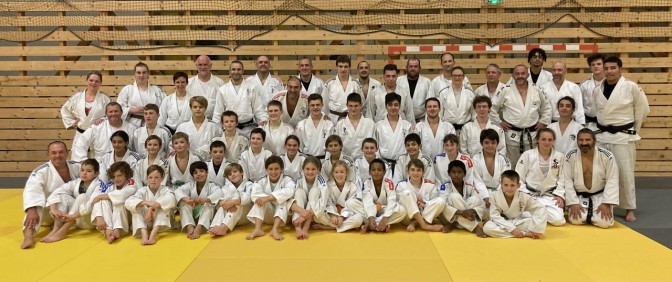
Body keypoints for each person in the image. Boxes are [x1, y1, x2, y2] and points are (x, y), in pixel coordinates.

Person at [592, 56, 650, 222]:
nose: (609, 71)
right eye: (607, 68)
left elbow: (642, 110)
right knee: (602, 173)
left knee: (625, 173)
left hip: (623, 136)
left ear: (620, 69)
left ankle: (629, 208)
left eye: (613, 68)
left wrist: (632, 130)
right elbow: (598, 113)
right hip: (602, 136)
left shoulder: (631, 87)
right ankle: (605, 203)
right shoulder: (598, 90)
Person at [21, 142, 80, 249]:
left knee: (64, 198)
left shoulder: (77, 166)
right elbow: (32, 190)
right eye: (54, 153)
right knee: (35, 207)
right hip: (49, 212)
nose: (58, 156)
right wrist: (31, 209)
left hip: (69, 211)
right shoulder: (41, 171)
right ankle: (28, 236)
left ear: (67, 153)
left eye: (61, 152)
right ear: (48, 155)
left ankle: (58, 228)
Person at [491, 65, 552, 166]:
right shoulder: (505, 89)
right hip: (512, 135)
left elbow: (547, 107)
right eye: (517, 74)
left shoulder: (537, 89)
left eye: (523, 73)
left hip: (532, 134)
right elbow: (492, 107)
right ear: (513, 76)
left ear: (527, 75)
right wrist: (499, 122)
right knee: (512, 164)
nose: (520, 76)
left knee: (532, 163)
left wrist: (543, 121)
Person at [560, 128, 619, 228]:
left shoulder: (606, 156)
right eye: (581, 140)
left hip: (600, 196)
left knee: (604, 223)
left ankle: (596, 212)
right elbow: (567, 181)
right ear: (577, 141)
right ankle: (587, 213)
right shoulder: (570, 156)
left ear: (595, 141)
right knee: (576, 220)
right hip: (579, 196)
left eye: (588, 140)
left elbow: (612, 180)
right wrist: (573, 203)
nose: (584, 143)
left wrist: (606, 203)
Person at [41, 159, 103, 243]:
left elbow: (90, 205)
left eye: (89, 171)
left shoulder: (99, 185)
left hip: (88, 222)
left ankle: (63, 230)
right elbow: (57, 192)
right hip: (75, 220)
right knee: (62, 196)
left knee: (82, 197)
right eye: (82, 170)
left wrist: (72, 216)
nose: (84, 173)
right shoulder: (77, 182)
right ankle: (56, 228)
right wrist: (53, 209)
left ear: (96, 173)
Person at [515, 128, 566, 226]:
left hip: (550, 196)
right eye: (543, 139)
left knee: (558, 221)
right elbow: (518, 178)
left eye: (550, 140)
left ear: (553, 141)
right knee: (522, 216)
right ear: (537, 140)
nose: (546, 142)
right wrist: (524, 194)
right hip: (530, 194)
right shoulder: (528, 155)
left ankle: (539, 215)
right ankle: (541, 214)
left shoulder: (559, 157)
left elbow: (562, 179)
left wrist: (559, 195)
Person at [483, 170, 547, 238]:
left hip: (518, 222)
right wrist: (512, 229)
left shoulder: (524, 197)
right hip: (501, 222)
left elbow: (540, 208)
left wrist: (536, 228)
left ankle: (519, 232)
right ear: (501, 184)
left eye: (512, 185)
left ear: (518, 185)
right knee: (487, 228)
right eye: (506, 185)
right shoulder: (494, 196)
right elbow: (495, 216)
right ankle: (524, 233)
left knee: (534, 223)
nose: (509, 188)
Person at [246, 156, 296, 240]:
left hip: (283, 218)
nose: (273, 172)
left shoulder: (288, 180)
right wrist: (268, 199)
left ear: (282, 169)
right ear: (266, 170)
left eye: (276, 169)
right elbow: (254, 195)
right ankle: (258, 228)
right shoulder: (261, 181)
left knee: (283, 201)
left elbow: (290, 191)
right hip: (266, 217)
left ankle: (275, 229)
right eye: (270, 169)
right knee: (259, 201)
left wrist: (268, 198)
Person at [213, 60, 267, 138]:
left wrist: (262, 123)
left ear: (242, 71)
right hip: (229, 129)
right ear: (230, 71)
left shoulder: (252, 88)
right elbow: (218, 113)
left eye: (239, 69)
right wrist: (217, 130)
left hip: (249, 128)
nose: (236, 72)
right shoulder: (222, 90)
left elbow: (258, 110)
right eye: (233, 69)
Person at [125, 165, 176, 245]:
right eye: (150, 177)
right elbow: (128, 202)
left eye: (156, 177)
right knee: (136, 207)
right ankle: (144, 233)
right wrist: (146, 203)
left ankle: (153, 234)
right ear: (147, 178)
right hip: (146, 221)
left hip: (161, 224)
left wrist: (151, 208)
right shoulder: (142, 190)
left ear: (162, 178)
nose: (153, 180)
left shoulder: (166, 190)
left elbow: (172, 200)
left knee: (163, 206)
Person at [88, 161, 138, 243]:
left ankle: (118, 229)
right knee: (102, 200)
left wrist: (102, 196)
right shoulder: (110, 185)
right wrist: (99, 217)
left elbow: (122, 195)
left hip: (127, 219)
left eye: (119, 175)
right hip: (112, 220)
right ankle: (109, 229)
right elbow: (97, 199)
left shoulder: (132, 183)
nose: (116, 179)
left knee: (118, 202)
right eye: (114, 177)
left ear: (127, 175)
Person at [60, 71, 111, 149]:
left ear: (100, 83)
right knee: (79, 159)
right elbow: (65, 109)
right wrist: (71, 122)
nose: (93, 83)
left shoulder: (105, 98)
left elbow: (112, 114)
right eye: (91, 80)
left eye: (97, 81)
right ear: (86, 81)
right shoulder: (77, 97)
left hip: (98, 135)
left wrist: (103, 120)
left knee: (96, 160)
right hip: (81, 135)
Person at [72, 102, 137, 161]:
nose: (113, 114)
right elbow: (81, 142)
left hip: (125, 165)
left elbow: (137, 150)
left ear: (122, 113)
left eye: (116, 111)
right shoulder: (97, 127)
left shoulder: (131, 129)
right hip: (100, 165)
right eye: (110, 112)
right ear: (106, 114)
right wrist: (83, 160)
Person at [355, 159, 407, 233]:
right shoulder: (367, 183)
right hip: (372, 209)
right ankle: (377, 224)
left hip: (384, 209)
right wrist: (371, 217)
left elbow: (392, 201)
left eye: (379, 170)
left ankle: (370, 224)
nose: (376, 172)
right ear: (369, 172)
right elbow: (368, 202)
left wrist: (385, 217)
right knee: (351, 203)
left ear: (384, 172)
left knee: (402, 211)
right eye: (373, 170)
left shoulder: (388, 183)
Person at [311, 160, 363, 232]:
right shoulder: (328, 186)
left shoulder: (352, 186)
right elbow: (327, 203)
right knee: (317, 216)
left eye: (342, 172)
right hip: (332, 215)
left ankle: (331, 227)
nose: (339, 175)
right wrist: (332, 215)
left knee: (359, 219)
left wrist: (342, 217)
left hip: (346, 215)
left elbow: (351, 206)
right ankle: (344, 227)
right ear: (332, 173)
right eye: (336, 172)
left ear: (346, 173)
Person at [175, 161, 221, 239]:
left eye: (201, 171)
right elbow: (177, 191)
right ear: (192, 175)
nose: (199, 174)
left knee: (209, 204)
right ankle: (190, 226)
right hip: (192, 216)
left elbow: (219, 193)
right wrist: (187, 200)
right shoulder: (190, 185)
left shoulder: (212, 186)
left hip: (205, 218)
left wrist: (204, 200)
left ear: (207, 172)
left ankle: (199, 228)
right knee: (183, 203)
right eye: (195, 173)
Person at [209, 163, 258, 237]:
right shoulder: (225, 187)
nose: (232, 175)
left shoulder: (249, 184)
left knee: (237, 200)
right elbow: (222, 201)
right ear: (228, 178)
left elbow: (247, 199)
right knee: (222, 206)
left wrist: (233, 202)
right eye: (229, 174)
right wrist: (225, 204)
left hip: (245, 217)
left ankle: (223, 228)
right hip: (231, 214)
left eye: (235, 172)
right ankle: (215, 226)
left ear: (241, 172)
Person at [440, 160, 487, 237]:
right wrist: (461, 213)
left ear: (464, 174)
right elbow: (443, 205)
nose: (456, 175)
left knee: (475, 199)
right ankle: (475, 227)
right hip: (450, 216)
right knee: (453, 196)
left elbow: (481, 203)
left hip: (465, 216)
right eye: (453, 172)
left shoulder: (470, 186)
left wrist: (471, 210)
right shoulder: (445, 186)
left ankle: (455, 222)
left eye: (459, 172)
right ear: (449, 174)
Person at [396, 159, 444, 232]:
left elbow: (434, 202)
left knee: (441, 201)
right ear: (408, 172)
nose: (415, 173)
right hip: (408, 217)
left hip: (425, 214)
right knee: (406, 193)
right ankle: (424, 225)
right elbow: (399, 204)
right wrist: (413, 203)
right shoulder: (401, 185)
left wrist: (425, 203)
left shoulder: (430, 185)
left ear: (423, 172)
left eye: (418, 170)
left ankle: (415, 223)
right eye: (412, 170)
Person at [471, 129, 511, 209]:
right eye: (486, 142)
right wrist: (486, 197)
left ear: (497, 144)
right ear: (481, 143)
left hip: (499, 192)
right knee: (474, 202)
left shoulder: (503, 160)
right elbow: (477, 181)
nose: (490, 145)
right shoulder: (475, 159)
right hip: (481, 193)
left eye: (493, 143)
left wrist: (494, 197)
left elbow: (505, 181)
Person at [117, 62, 166, 127]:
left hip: (154, 123)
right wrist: (131, 110)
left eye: (144, 72)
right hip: (132, 124)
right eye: (138, 73)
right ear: (134, 74)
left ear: (148, 74)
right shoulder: (127, 89)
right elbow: (118, 108)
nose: (141, 75)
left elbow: (164, 108)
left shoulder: (157, 90)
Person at [375, 93, 413, 173]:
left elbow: (410, 147)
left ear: (400, 106)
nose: (393, 108)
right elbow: (376, 147)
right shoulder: (378, 126)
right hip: (383, 164)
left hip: (402, 164)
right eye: (390, 105)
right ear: (386, 106)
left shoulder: (407, 125)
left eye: (396, 105)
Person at [176, 96, 222, 161]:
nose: (198, 109)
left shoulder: (214, 126)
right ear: (191, 108)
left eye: (201, 107)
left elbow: (220, 146)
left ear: (205, 108)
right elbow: (175, 145)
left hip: (208, 161)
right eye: (195, 107)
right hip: (188, 161)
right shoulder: (182, 127)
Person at [289, 156, 324, 239]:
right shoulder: (298, 181)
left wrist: (304, 217)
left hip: (313, 212)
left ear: (318, 170)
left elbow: (323, 201)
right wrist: (302, 212)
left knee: (314, 190)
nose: (310, 172)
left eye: (313, 169)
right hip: (301, 211)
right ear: (303, 170)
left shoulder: (321, 181)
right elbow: (290, 201)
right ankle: (298, 227)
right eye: (307, 169)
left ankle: (306, 227)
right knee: (298, 192)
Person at [322, 55, 364, 123]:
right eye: (340, 66)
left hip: (351, 118)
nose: (343, 69)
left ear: (349, 67)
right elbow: (324, 103)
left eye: (346, 66)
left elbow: (361, 103)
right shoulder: (329, 83)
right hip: (333, 119)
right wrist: (325, 116)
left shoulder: (356, 84)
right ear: (337, 67)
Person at [335, 93, 376, 160]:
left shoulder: (370, 124)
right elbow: (336, 144)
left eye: (356, 106)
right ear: (347, 106)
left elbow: (375, 144)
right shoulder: (340, 124)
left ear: (361, 105)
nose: (353, 109)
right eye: (350, 106)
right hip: (345, 161)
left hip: (364, 161)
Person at [436, 66, 476, 135]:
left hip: (465, 128)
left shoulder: (470, 93)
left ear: (463, 77)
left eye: (459, 75)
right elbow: (440, 113)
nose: (457, 78)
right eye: (454, 76)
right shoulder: (443, 93)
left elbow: (474, 113)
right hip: (447, 128)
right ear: (451, 77)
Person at [295, 94, 334, 158]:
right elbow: (299, 146)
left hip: (324, 159)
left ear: (322, 105)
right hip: (307, 159)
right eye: (312, 105)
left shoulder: (329, 124)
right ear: (308, 106)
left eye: (318, 105)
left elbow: (332, 146)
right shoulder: (301, 125)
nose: (315, 107)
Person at [187, 55, 225, 120]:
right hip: (194, 121)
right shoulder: (189, 83)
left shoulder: (219, 83)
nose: (202, 67)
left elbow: (222, 105)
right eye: (200, 65)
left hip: (214, 121)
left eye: (205, 65)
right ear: (196, 66)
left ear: (210, 66)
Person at [397, 57, 432, 122]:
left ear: (419, 68)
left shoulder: (427, 82)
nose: (413, 68)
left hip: (421, 120)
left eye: (415, 66)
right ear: (406, 67)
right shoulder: (398, 81)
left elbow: (430, 102)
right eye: (410, 66)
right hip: (402, 120)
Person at [579, 53, 606, 131]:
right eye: (593, 64)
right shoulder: (584, 85)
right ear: (590, 67)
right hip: (589, 124)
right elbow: (579, 106)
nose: (596, 66)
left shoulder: (610, 84)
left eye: (599, 64)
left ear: (604, 66)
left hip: (607, 124)